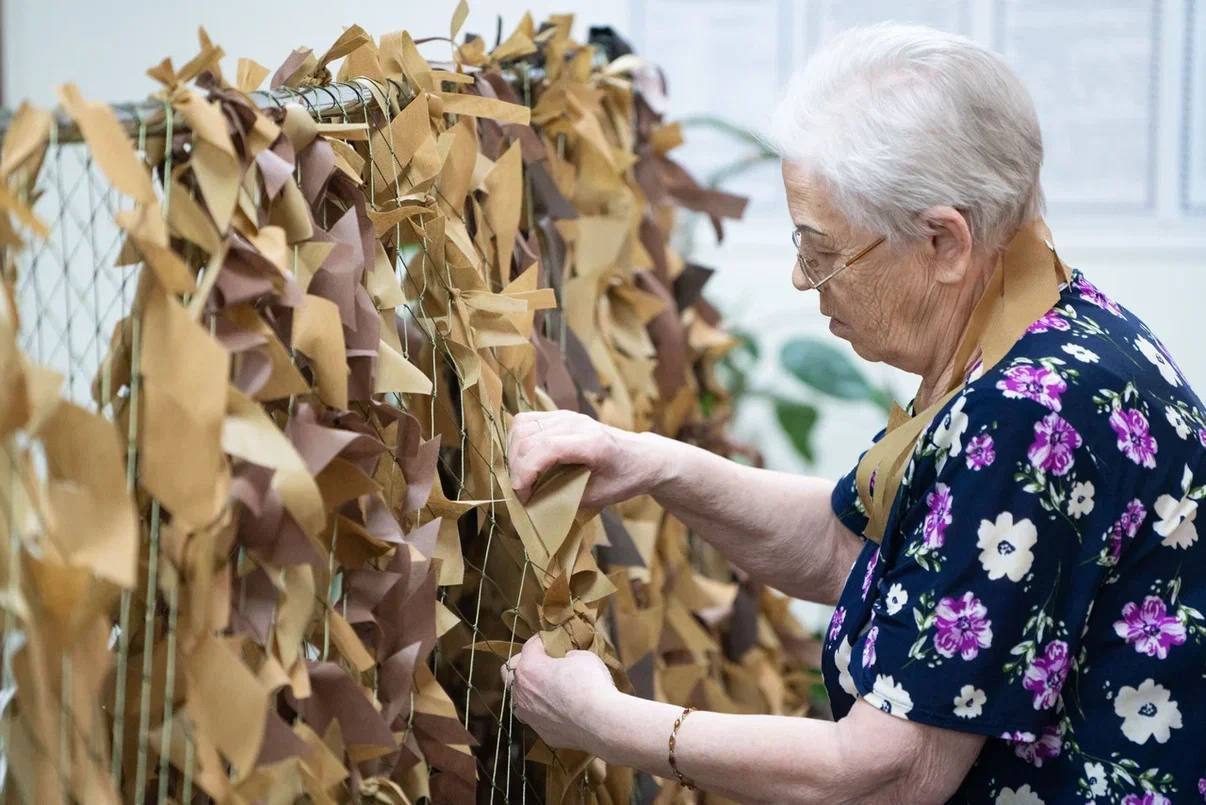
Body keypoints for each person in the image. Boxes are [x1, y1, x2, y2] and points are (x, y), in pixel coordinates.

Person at [500, 23, 1206, 803]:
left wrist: (606, 721)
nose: (805, 280)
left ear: (944, 242)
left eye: (822, 249)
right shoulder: (1042, 316)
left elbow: (890, 773)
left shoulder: (1028, 414)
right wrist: (654, 464)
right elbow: (855, 548)